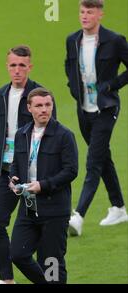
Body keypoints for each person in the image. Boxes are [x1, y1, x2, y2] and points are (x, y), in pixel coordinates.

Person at [0, 45, 56, 284]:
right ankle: (7, 280)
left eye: (22, 65)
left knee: (35, 227)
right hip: (7, 173)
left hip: (31, 177)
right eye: (13, 65)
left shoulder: (40, 97)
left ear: (30, 66)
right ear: (7, 66)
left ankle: (45, 280)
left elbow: (52, 136)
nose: (17, 70)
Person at [65, 0, 128, 236]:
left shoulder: (115, 40)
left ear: (100, 15)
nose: (84, 16)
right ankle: (119, 207)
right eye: (82, 12)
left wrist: (112, 85)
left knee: (93, 161)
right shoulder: (72, 40)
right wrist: (73, 87)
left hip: (107, 108)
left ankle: (78, 215)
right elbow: (69, 65)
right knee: (103, 156)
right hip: (84, 110)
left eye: (89, 12)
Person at [9, 88, 78, 284]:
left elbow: (71, 171)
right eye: (39, 105)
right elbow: (16, 163)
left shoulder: (65, 135)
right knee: (17, 254)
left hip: (54, 210)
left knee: (52, 263)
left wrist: (43, 185)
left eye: (48, 105)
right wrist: (14, 178)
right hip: (29, 207)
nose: (44, 110)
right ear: (29, 108)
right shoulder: (21, 134)